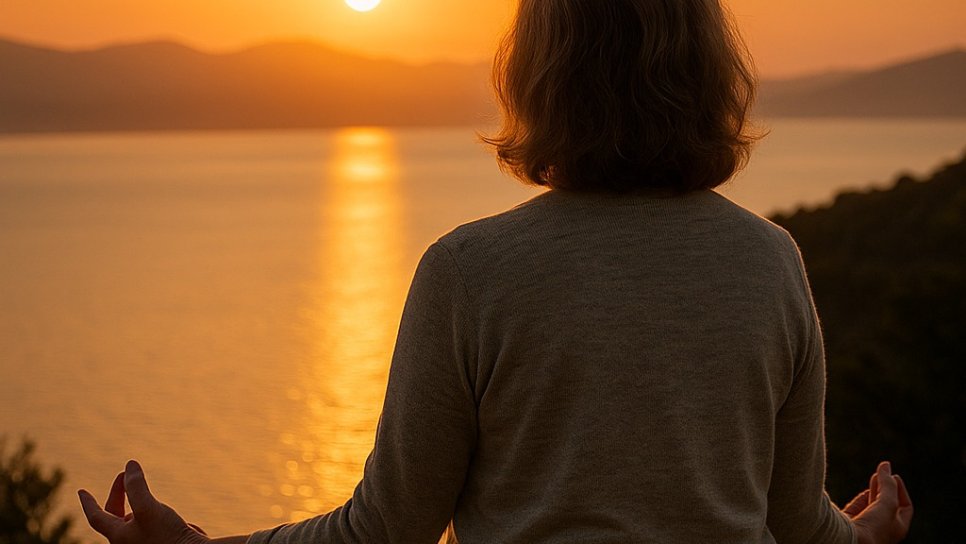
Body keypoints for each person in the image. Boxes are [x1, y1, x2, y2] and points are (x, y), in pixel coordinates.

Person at [78, 1, 914, 543]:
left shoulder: (470, 273)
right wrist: (866, 533)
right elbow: (797, 525)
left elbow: (386, 529)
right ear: (706, 69)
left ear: (537, 73)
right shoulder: (770, 263)